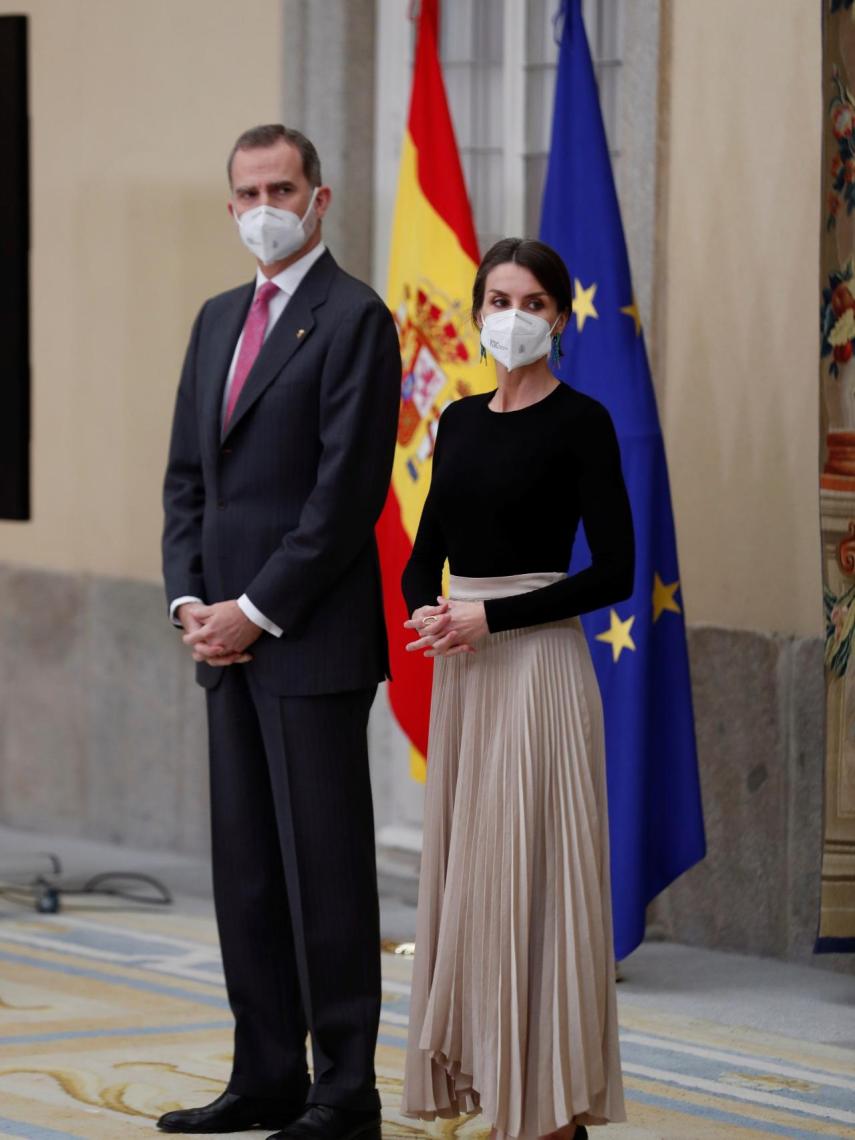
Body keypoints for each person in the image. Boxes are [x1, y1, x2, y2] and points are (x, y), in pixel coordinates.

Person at [159, 124, 401, 1140]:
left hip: (308, 642)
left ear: (320, 197)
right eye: (247, 189)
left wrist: (251, 610)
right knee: (249, 870)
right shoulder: (217, 319)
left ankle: (342, 1090)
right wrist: (190, 603)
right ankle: (261, 1074)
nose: (264, 203)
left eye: (282, 186)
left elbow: (345, 497)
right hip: (223, 645)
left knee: (326, 873)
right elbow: (185, 483)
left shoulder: (356, 320)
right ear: (231, 207)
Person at [399, 238, 633, 1140]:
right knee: (473, 884)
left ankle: (549, 1115)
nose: (514, 315)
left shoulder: (583, 421)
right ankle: (502, 1095)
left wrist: (487, 620)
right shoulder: (456, 421)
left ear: (559, 319)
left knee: (529, 881)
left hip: (535, 664)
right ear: (476, 310)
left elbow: (614, 571)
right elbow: (424, 559)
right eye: (498, 298)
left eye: (533, 301)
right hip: (464, 669)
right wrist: (431, 613)